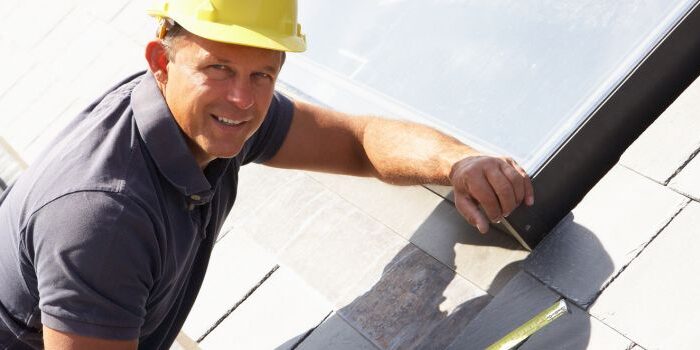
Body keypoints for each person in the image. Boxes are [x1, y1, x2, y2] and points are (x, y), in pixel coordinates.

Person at [0, 1, 533, 349]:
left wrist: (458, 163)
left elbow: (356, 141)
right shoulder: (104, 218)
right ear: (161, 62)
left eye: (264, 75)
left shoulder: (209, 115)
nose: (243, 100)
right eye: (219, 69)